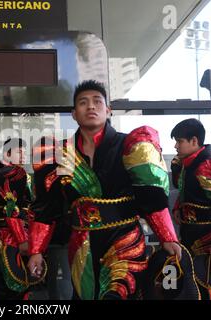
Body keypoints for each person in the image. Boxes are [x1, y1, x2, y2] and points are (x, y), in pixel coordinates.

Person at [27, 80, 181, 300]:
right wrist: (35, 251)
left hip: (125, 240)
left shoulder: (130, 146)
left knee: (118, 294)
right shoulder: (57, 154)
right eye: (83, 102)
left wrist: (168, 237)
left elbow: (152, 198)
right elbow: (46, 208)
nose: (91, 106)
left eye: (97, 101)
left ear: (108, 110)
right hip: (82, 245)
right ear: (73, 114)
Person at [170, 118, 211, 298]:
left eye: (179, 141)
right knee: (193, 287)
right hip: (190, 235)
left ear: (194, 141)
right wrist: (178, 208)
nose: (176, 146)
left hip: (210, 239)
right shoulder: (186, 165)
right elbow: (186, 191)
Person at [0, 138, 36, 300]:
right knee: (15, 283)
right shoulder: (13, 173)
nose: (23, 155)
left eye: (24, 151)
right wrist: (23, 239)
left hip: (4, 232)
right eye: (19, 151)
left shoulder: (2, 173)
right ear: (7, 154)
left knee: (2, 284)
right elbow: (12, 209)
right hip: (11, 235)